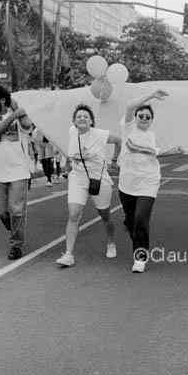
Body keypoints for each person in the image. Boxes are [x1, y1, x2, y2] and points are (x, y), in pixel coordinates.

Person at [118, 89, 183, 273]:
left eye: (148, 117)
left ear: (151, 120)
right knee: (131, 221)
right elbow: (130, 105)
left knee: (141, 219)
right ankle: (134, 233)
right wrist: (152, 96)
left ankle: (140, 257)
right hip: (127, 183)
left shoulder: (152, 136)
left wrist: (174, 151)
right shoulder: (128, 128)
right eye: (141, 116)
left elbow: (157, 153)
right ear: (135, 117)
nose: (144, 119)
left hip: (148, 182)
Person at [55, 104, 122, 267]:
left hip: (98, 179)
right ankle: (68, 254)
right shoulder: (72, 132)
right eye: (79, 116)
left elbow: (119, 141)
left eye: (86, 116)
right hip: (78, 178)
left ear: (91, 121)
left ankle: (111, 242)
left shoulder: (100, 134)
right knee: (73, 214)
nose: (82, 118)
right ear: (74, 122)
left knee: (105, 215)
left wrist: (114, 160)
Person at [0, 84, 34, 260]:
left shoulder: (14, 110)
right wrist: (13, 116)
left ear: (2, 100)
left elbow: (28, 126)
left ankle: (16, 245)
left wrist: (17, 110)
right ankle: (16, 230)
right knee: (1, 212)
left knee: (16, 210)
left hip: (19, 169)